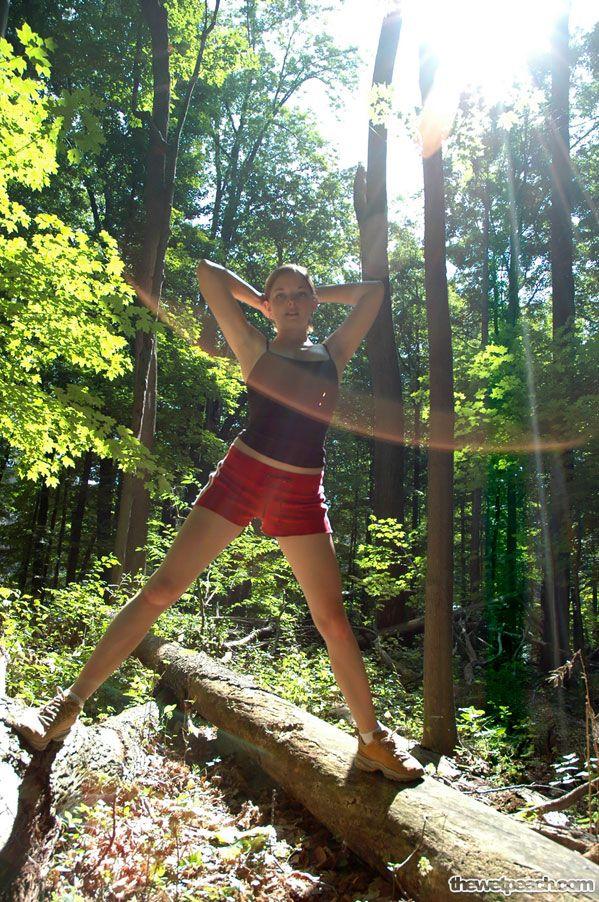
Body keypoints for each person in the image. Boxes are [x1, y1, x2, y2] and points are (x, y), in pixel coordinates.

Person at [9, 260, 424, 783]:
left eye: (302, 294)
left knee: (332, 621)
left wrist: (309, 294)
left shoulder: (332, 354)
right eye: (282, 295)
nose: (292, 301)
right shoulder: (256, 346)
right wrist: (260, 303)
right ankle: (65, 708)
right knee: (161, 588)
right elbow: (207, 273)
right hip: (242, 476)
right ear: (268, 304)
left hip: (300, 491)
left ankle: (372, 742)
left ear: (315, 303)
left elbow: (373, 293)